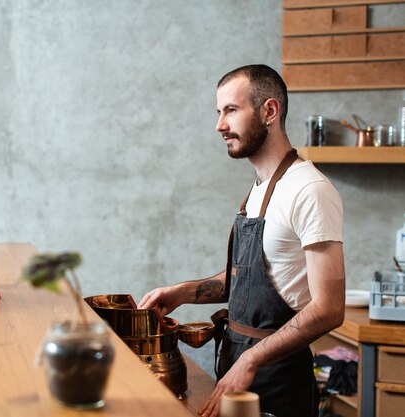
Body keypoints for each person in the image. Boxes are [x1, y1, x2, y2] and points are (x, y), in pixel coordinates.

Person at [138, 65, 345, 417]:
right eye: (219, 112)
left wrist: (251, 358)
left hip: (278, 383)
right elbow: (250, 278)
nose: (220, 125)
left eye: (231, 110)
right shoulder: (259, 190)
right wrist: (184, 292)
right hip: (236, 370)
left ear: (269, 111)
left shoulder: (310, 191)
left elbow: (329, 308)